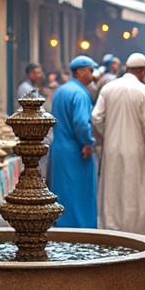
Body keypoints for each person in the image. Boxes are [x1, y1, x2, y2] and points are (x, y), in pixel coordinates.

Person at [92, 53, 145, 234]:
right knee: (136, 190)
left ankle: (113, 228)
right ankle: (136, 231)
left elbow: (96, 117)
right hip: (138, 149)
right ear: (143, 71)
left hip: (112, 148)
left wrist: (106, 134)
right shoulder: (144, 91)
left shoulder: (108, 88)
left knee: (113, 189)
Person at [49, 55, 98, 228]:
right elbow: (81, 123)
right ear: (80, 71)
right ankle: (81, 229)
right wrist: (88, 142)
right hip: (76, 151)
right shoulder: (80, 94)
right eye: (90, 71)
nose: (93, 75)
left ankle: (63, 227)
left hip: (60, 148)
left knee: (63, 192)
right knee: (80, 193)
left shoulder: (61, 90)